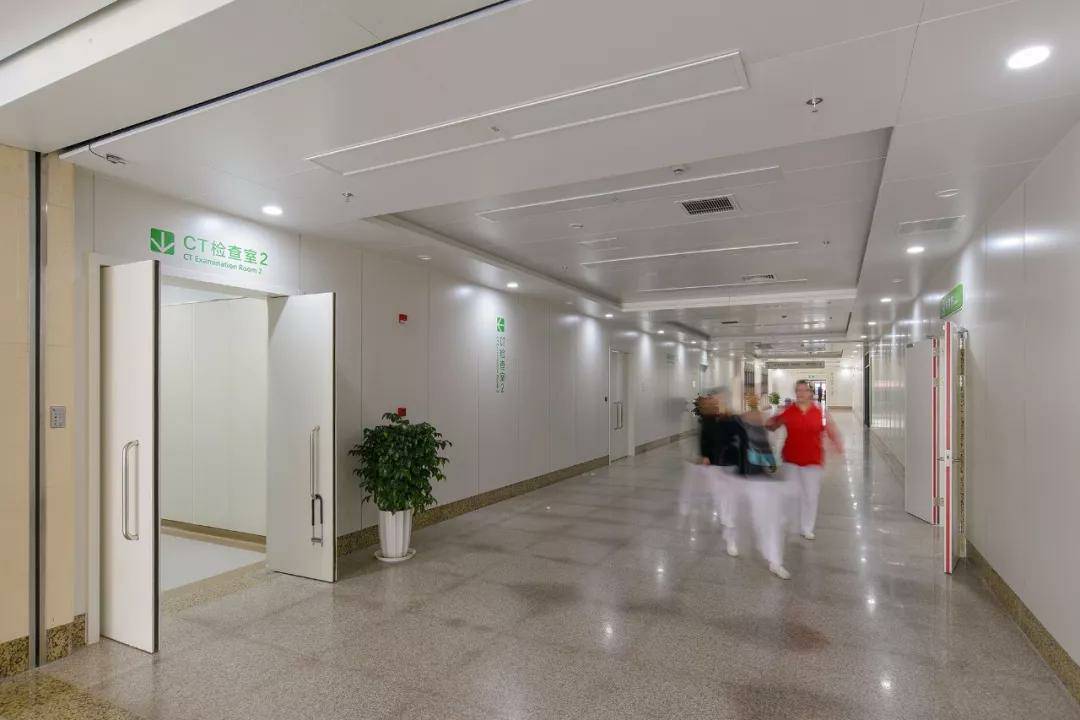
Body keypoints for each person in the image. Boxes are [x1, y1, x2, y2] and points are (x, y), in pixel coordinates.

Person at [766, 379, 843, 543]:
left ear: (811, 393)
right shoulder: (788, 411)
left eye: (804, 390)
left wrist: (837, 443)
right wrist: (770, 420)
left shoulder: (820, 412)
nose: (800, 393)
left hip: (812, 460)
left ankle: (807, 528)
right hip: (791, 459)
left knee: (810, 495)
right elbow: (773, 426)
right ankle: (792, 524)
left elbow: (830, 429)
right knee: (791, 494)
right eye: (798, 390)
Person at [736, 391, 793, 579]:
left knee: (773, 518)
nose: (753, 400)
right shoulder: (741, 420)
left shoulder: (763, 417)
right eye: (749, 397)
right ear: (746, 400)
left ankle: (775, 560)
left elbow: (767, 443)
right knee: (760, 517)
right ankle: (767, 550)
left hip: (766, 474)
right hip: (751, 474)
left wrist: (771, 461)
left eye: (755, 397)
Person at [696, 389, 743, 557]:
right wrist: (704, 455)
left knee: (729, 497)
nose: (717, 402)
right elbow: (704, 438)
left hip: (730, 461)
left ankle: (730, 532)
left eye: (720, 399)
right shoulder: (707, 418)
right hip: (714, 463)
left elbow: (738, 435)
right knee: (719, 495)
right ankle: (725, 518)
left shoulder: (732, 418)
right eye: (715, 399)